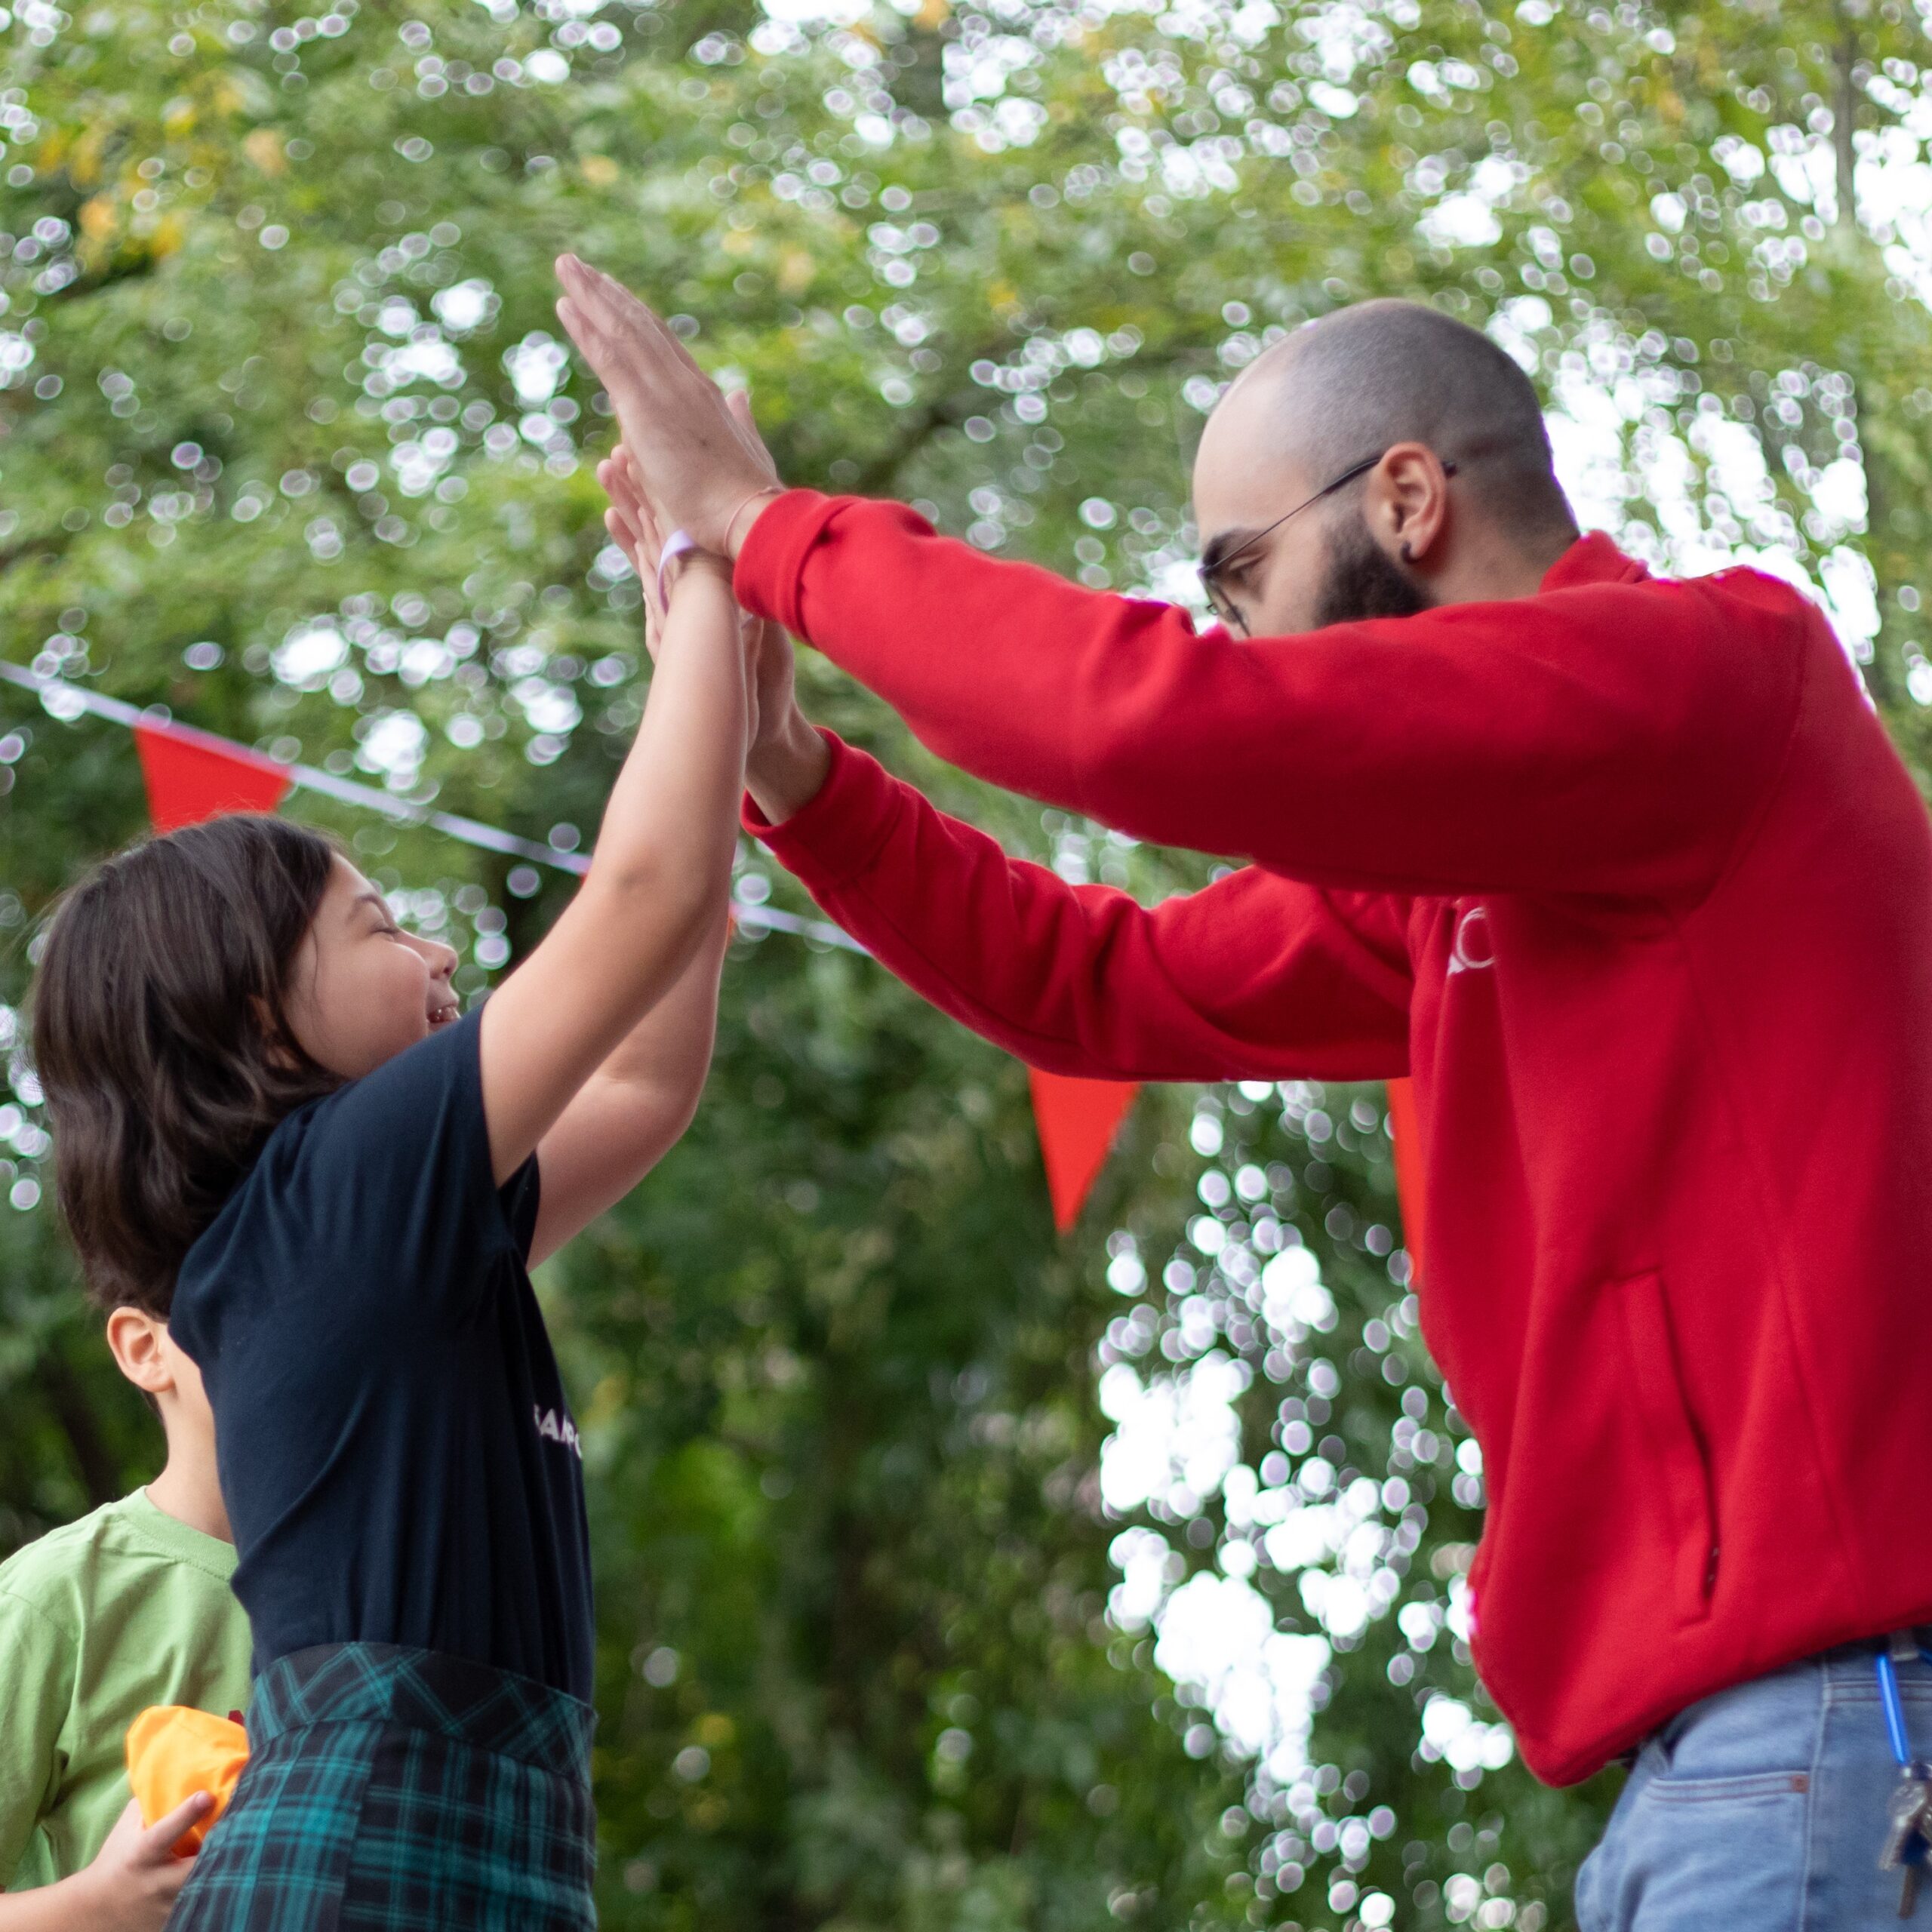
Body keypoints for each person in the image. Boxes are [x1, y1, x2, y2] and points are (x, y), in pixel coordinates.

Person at [559, 255, 1932, 1928]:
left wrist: (772, 531)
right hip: (1710, 1767)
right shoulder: (1466, 873)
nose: (1231, 629)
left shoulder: (1709, 678)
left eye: (1239, 570)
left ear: (1407, 501)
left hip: (1830, 1720)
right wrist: (791, 768)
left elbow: (1146, 725)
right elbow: (1100, 981)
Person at [28, 470, 759, 1928]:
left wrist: (718, 694)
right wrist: (709, 574)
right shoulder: (344, 1184)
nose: (437, 955)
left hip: (475, 1840)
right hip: (369, 1857)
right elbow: (647, 892)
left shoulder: (366, 1230)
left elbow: (644, 1083)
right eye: (380, 927)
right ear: (262, 1023)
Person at [0, 1306, 251, 1930]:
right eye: (243, 1302)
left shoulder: (401, 1582)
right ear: (145, 1348)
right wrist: (98, 1906)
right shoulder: (56, 1595)